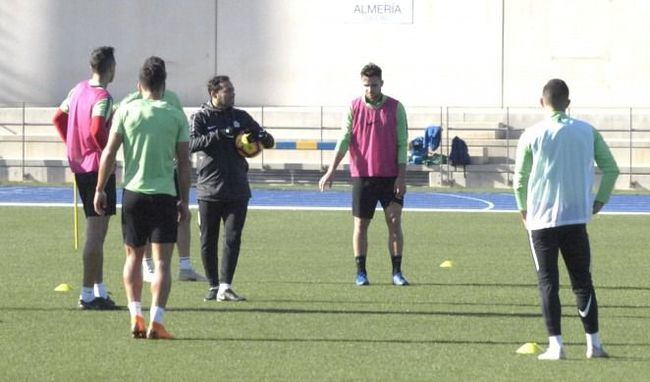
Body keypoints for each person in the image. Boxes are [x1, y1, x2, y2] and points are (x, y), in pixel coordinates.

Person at [513, 79, 619, 360]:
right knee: (582, 281)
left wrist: (523, 208)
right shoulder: (586, 131)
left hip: (541, 219)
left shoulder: (532, 133)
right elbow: (611, 169)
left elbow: (519, 179)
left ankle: (556, 346)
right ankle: (594, 345)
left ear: (541, 102)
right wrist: (599, 201)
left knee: (548, 281)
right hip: (575, 217)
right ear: (568, 103)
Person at [94, 56, 191, 340]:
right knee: (161, 264)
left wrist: (100, 188)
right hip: (164, 195)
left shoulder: (127, 109)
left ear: (140, 85)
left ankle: (135, 315)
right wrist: (184, 199)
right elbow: (184, 162)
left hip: (133, 194)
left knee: (133, 258)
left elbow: (109, 153)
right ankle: (156, 322)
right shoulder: (174, 114)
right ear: (163, 85)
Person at [318, 63, 409, 287]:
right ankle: (361, 272)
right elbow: (344, 139)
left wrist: (401, 176)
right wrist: (331, 170)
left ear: (382, 83)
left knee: (394, 221)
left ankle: (397, 272)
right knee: (361, 225)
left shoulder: (396, 107)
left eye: (374, 85)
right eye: (366, 85)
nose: (370, 90)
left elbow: (402, 143)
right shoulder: (353, 107)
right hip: (363, 176)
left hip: (390, 176)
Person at [190, 75, 274, 302]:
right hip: (209, 189)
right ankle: (212, 285)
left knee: (233, 237)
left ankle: (226, 286)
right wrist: (218, 135)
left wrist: (263, 137)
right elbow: (192, 144)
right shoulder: (201, 117)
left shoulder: (241, 116)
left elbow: (268, 141)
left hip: (237, 188)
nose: (233, 94)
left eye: (233, 90)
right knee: (208, 240)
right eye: (228, 90)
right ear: (215, 94)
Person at [52, 46, 119, 310]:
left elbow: (58, 118)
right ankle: (86, 295)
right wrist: (107, 154)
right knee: (96, 232)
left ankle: (99, 290)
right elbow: (95, 130)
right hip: (97, 167)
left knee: (98, 233)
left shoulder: (77, 89)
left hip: (81, 166)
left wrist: (72, 147)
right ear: (111, 68)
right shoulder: (103, 96)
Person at [119, 89, 206, 283]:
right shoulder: (130, 102)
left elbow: (181, 132)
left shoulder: (172, 99)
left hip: (168, 171)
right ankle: (146, 264)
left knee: (183, 216)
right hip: (140, 176)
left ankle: (185, 266)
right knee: (148, 222)